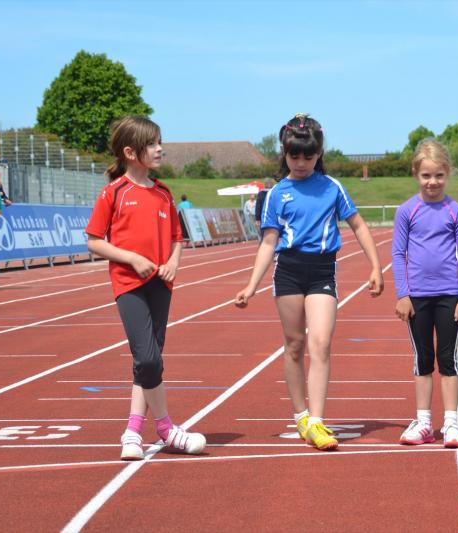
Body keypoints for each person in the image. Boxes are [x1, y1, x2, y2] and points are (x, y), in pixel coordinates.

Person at [235, 113, 384, 451]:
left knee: (321, 342)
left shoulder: (333, 187)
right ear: (284, 153)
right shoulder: (276, 194)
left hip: (322, 272)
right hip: (288, 271)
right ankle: (300, 415)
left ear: (319, 154)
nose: (301, 162)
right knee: (294, 345)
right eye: (294, 155)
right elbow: (269, 242)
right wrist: (251, 285)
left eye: (308, 156)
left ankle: (316, 420)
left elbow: (359, 226)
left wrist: (375, 266)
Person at [85, 116, 206, 460]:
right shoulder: (114, 193)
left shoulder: (164, 193)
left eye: (159, 142)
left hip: (161, 285)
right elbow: (94, 241)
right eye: (152, 144)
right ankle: (166, 429)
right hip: (129, 284)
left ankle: (132, 431)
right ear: (130, 152)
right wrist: (132, 259)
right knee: (148, 358)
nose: (159, 149)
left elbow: (177, 238)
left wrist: (173, 262)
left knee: (149, 362)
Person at [392, 139, 458, 448]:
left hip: (449, 295)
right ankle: (424, 422)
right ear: (416, 174)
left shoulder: (456, 211)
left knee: (448, 359)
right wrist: (403, 294)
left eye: (439, 175)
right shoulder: (406, 211)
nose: (432, 182)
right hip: (417, 297)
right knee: (423, 358)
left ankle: (451, 422)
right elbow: (398, 254)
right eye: (426, 175)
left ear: (447, 173)